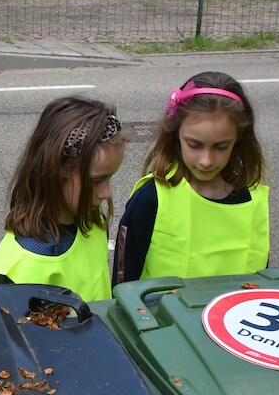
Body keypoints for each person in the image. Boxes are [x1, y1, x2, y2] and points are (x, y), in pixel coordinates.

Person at [112, 71, 269, 284]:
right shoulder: (151, 199)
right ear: (176, 134)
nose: (206, 160)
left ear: (239, 140)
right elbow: (123, 283)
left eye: (221, 146)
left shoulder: (253, 199)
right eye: (194, 145)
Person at [0, 96, 125, 302]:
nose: (106, 193)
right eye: (96, 180)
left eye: (110, 178)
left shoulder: (93, 223)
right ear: (57, 170)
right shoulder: (24, 264)